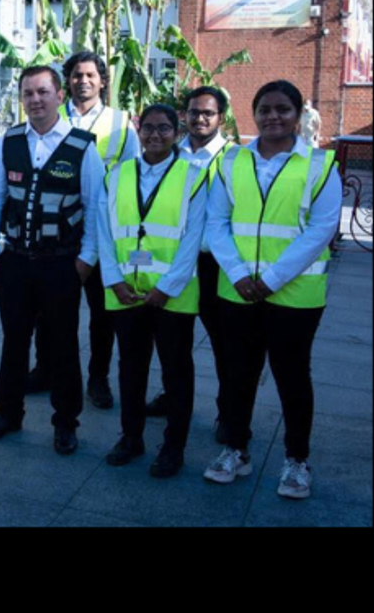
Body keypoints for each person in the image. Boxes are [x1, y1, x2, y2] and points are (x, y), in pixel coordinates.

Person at [203, 80, 340, 500]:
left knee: (293, 379)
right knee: (238, 375)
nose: (273, 116)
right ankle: (236, 450)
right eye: (264, 109)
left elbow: (321, 231)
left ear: (298, 116)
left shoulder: (320, 166)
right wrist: (240, 274)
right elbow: (216, 223)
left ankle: (297, 460)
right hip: (238, 291)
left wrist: (272, 279)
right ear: (253, 113)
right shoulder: (231, 163)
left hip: (295, 297)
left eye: (283, 109)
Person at [0, 65, 104, 455]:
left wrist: (85, 261)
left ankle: (65, 423)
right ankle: (8, 414)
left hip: (61, 264)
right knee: (14, 342)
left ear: (60, 95)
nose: (35, 100)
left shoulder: (82, 146)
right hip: (14, 261)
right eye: (28, 93)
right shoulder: (9, 141)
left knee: (63, 345)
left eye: (43, 92)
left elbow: (96, 208)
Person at [99, 104, 207, 478]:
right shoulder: (116, 173)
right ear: (137, 130)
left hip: (173, 295)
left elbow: (192, 238)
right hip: (124, 290)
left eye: (164, 128)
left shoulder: (194, 176)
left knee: (176, 372)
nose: (155, 135)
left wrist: (167, 287)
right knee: (130, 369)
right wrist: (112, 278)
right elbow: (104, 229)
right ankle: (131, 438)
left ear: (177, 132)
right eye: (148, 128)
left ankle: (173, 448)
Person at [27, 51, 139, 409]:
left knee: (101, 311)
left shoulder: (121, 124)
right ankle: (45, 369)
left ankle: (97, 377)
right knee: (46, 309)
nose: (83, 81)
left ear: (103, 80)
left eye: (90, 75)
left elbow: (135, 176)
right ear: (67, 83)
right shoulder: (50, 117)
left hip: (103, 230)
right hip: (55, 230)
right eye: (76, 75)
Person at [145, 86, 234, 445]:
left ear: (221, 118)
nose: (199, 119)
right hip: (175, 263)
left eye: (208, 113)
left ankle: (229, 413)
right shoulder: (172, 155)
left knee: (224, 345)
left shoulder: (234, 158)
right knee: (174, 344)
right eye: (194, 112)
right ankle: (172, 396)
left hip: (214, 265)